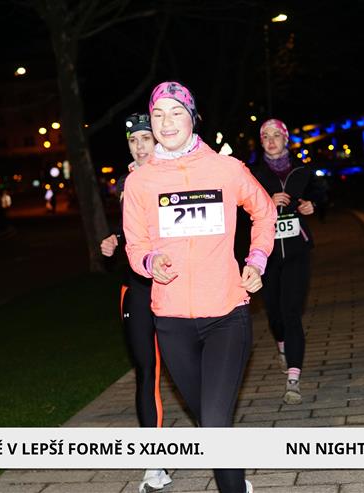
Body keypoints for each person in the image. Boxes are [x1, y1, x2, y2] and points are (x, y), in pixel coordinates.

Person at [123, 81, 276, 493]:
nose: (166, 122)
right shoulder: (139, 182)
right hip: (172, 321)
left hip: (226, 313)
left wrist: (256, 259)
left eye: (176, 112)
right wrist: (151, 262)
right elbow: (136, 245)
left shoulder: (226, 169)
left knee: (213, 424)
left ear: (192, 117)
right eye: (158, 114)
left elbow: (264, 213)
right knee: (210, 422)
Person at [99, 113, 172, 493]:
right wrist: (115, 241)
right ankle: (155, 462)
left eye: (146, 138)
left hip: (177, 286)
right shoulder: (126, 183)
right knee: (147, 370)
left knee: (189, 369)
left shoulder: (175, 174)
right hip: (137, 289)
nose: (140, 146)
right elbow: (132, 232)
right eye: (133, 141)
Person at [253, 118, 321, 406]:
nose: (271, 141)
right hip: (266, 255)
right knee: (275, 314)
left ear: (285, 139)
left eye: (276, 135)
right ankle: (281, 343)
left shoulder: (302, 171)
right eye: (265, 136)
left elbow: (320, 193)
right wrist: (266, 203)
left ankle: (293, 378)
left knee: (291, 312)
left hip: (296, 252)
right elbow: (240, 207)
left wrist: (312, 204)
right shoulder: (253, 174)